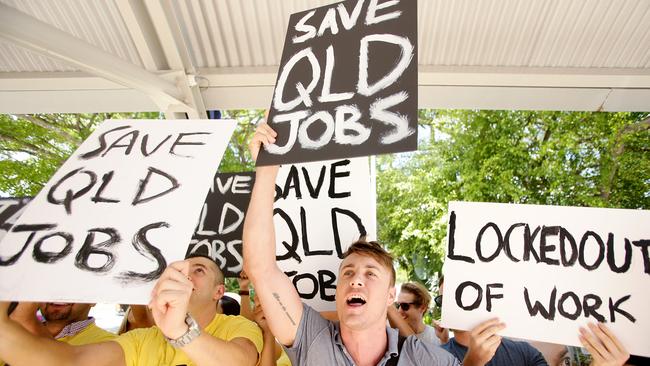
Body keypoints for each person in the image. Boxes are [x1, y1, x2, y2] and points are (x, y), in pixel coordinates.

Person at [243, 123, 462, 366]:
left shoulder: (426, 360)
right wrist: (266, 170)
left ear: (391, 296)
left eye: (371, 273)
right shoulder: (311, 338)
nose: (356, 280)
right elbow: (261, 267)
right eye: (348, 272)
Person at [0, 255, 263, 366]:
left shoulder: (238, 328)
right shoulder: (142, 340)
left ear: (219, 292)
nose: (186, 275)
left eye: (199, 271)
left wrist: (179, 331)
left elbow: (238, 362)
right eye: (181, 270)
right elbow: (71, 361)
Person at [437, 279, 630, 366]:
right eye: (442, 300)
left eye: (459, 295)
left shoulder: (524, 353)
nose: (450, 305)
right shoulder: (434, 357)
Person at [388, 282, 443, 346]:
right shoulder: (391, 332)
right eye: (398, 305)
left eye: (404, 306)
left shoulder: (436, 337)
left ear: (422, 308)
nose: (399, 311)